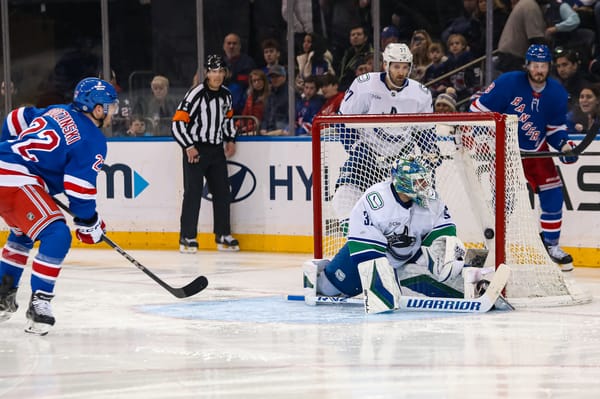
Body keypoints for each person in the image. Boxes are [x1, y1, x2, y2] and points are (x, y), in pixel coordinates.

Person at [0, 77, 117, 335]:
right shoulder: (93, 140)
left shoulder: (57, 110)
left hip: (5, 164)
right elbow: (79, 188)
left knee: (22, 234)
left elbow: (16, 118)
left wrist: (19, 153)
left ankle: (2, 293)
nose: (112, 113)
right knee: (57, 234)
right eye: (110, 106)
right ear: (97, 108)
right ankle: (40, 303)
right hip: (17, 180)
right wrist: (89, 224)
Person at [303, 155, 474, 313]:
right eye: (419, 181)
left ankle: (472, 284)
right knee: (329, 289)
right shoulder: (377, 199)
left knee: (438, 273)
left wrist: (445, 256)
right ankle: (314, 276)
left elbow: (442, 232)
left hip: (409, 253)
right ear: (404, 182)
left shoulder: (432, 200)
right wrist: (383, 283)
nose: (425, 185)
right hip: (368, 257)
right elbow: (365, 247)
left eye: (425, 179)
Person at [470, 44, 578, 271]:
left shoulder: (556, 92)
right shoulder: (508, 82)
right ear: (527, 65)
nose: (539, 70)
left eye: (543, 66)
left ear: (549, 67)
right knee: (502, 204)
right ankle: (495, 248)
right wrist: (486, 138)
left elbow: (555, 129)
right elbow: (476, 110)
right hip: (506, 150)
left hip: (536, 151)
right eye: (535, 65)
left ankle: (551, 246)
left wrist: (564, 145)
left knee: (553, 195)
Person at [333, 42, 436, 231]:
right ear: (385, 65)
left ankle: (419, 241)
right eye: (396, 66)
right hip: (368, 154)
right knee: (345, 191)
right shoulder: (365, 85)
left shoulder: (420, 94)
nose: (401, 72)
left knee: (424, 197)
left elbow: (425, 130)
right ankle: (352, 235)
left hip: (402, 158)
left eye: (405, 67)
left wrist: (430, 150)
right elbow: (343, 121)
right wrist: (356, 148)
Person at [171, 55, 239, 253]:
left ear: (225, 73)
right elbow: (177, 123)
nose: (217, 75)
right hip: (196, 149)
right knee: (192, 193)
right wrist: (188, 146)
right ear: (207, 73)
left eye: (220, 71)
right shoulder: (196, 94)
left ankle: (223, 234)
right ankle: (187, 236)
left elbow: (227, 119)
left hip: (216, 149)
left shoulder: (226, 95)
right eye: (213, 71)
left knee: (222, 192)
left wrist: (230, 138)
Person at [338, 25, 374, 91]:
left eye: (359, 34)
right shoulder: (347, 53)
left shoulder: (370, 55)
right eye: (353, 35)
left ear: (365, 38)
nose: (355, 36)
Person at [238, 69, 270, 135]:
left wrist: (247, 128)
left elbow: (266, 119)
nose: (257, 83)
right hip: (249, 129)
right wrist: (236, 126)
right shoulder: (250, 97)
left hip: (262, 129)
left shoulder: (270, 96)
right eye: (254, 81)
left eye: (259, 80)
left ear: (264, 81)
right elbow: (244, 115)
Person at [260, 65, 289, 136]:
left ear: (284, 77)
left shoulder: (291, 93)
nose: (274, 79)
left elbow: (293, 117)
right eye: (272, 77)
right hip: (270, 129)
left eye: (277, 76)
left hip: (282, 129)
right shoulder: (270, 94)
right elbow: (266, 114)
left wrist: (284, 130)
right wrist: (263, 127)